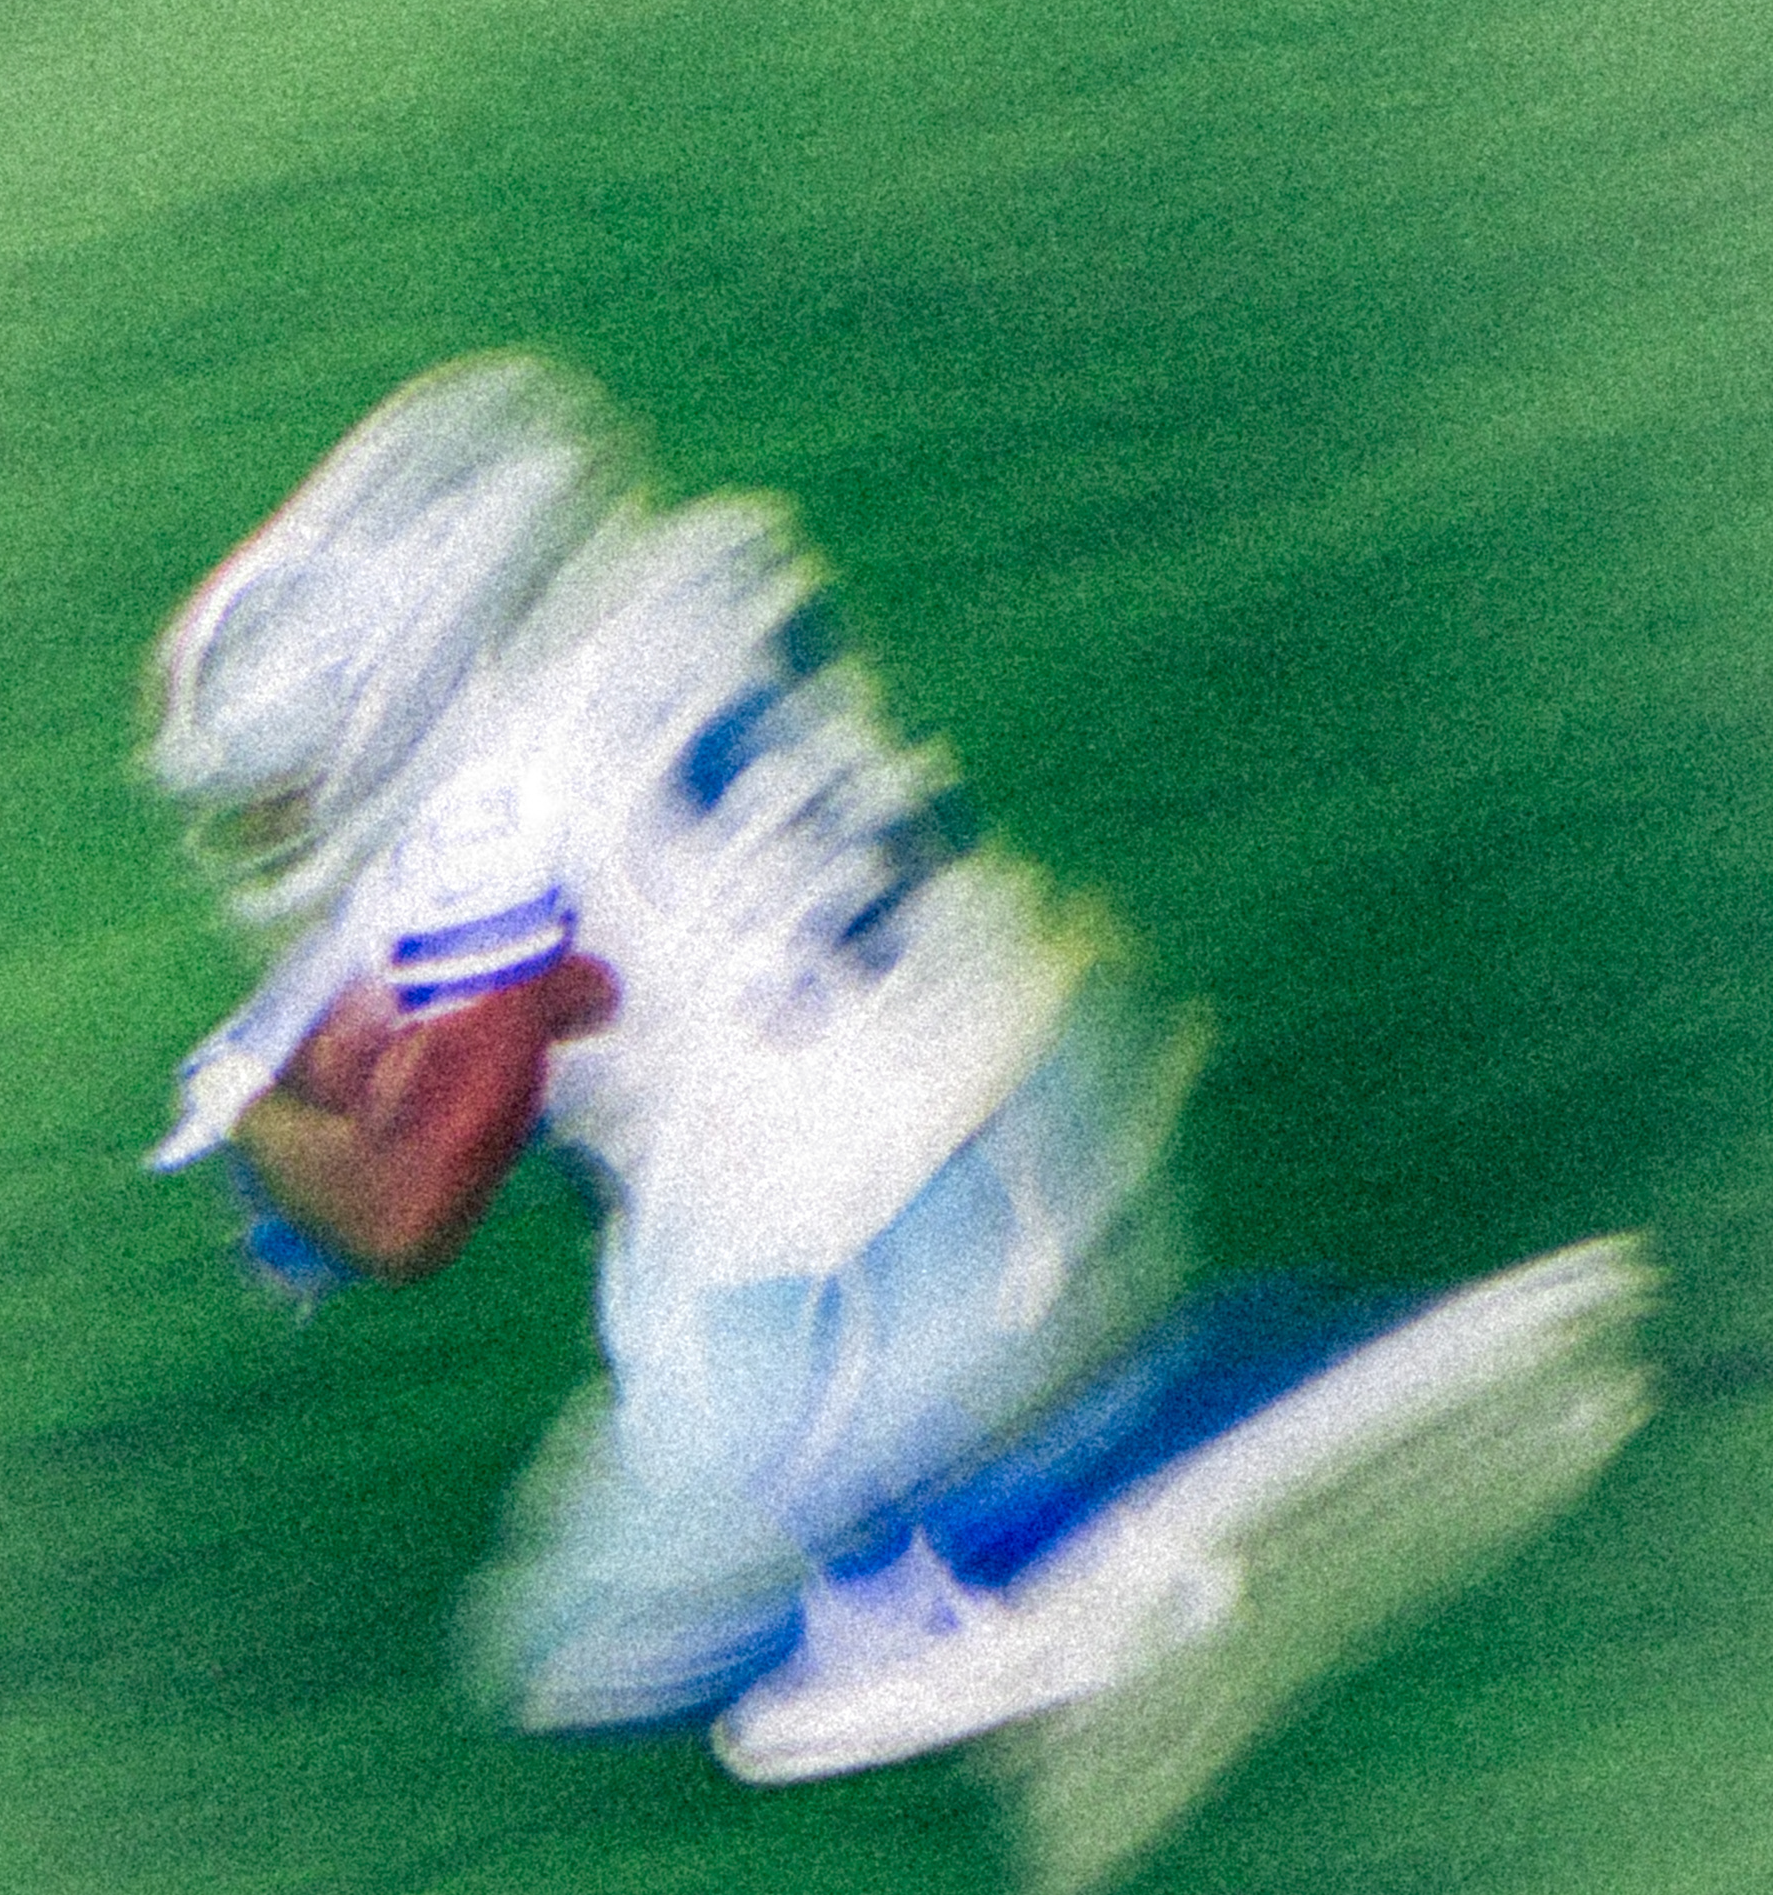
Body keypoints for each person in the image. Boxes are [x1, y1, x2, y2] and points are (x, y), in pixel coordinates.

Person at [141, 354, 1653, 1817]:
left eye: (287, 789)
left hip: (877, 1279)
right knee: (726, 1349)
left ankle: (1015, 1568)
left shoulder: (476, 837)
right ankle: (1186, 1390)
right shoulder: (694, 588)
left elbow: (407, 1210)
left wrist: (258, 1118)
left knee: (585, 1643)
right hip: (1074, 1096)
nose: (282, 827)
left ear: (403, 690)